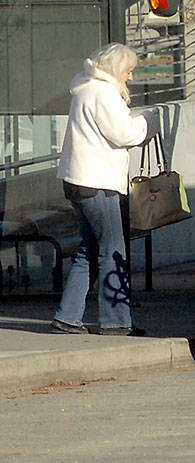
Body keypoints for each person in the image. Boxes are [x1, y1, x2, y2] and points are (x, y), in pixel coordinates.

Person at [51, 43, 158, 336]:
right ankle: (116, 322)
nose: (131, 77)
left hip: (77, 180)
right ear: (116, 69)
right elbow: (125, 133)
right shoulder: (103, 92)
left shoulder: (85, 87)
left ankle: (68, 316)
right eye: (129, 70)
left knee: (90, 248)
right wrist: (149, 122)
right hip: (99, 183)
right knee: (113, 250)